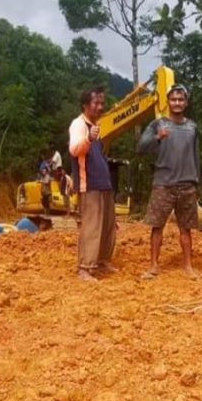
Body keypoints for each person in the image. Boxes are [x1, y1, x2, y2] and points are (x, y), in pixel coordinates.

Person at [136, 84, 201, 279]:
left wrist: (197, 180)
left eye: (181, 99)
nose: (177, 103)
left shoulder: (192, 127)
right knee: (157, 226)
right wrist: (157, 137)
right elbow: (140, 148)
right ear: (168, 102)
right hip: (163, 183)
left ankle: (188, 266)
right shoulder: (158, 124)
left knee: (186, 228)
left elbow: (196, 155)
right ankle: (154, 265)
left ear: (186, 103)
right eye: (173, 99)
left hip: (188, 183)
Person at [68, 86, 116, 281]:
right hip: (89, 185)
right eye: (96, 103)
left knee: (107, 226)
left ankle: (102, 260)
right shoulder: (78, 125)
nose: (100, 107)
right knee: (92, 226)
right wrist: (88, 138)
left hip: (103, 184)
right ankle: (85, 267)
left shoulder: (97, 126)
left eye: (102, 103)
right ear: (85, 105)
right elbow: (74, 149)